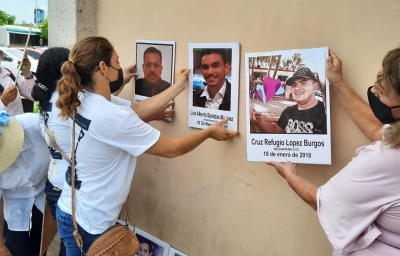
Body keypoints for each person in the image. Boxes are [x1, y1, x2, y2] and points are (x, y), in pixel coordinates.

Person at [53, 36, 239, 255]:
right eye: (117, 61)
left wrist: (179, 86)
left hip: (70, 209)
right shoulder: (111, 116)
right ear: (103, 68)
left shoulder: (85, 97)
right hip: (89, 225)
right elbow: (172, 149)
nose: (120, 67)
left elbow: (139, 110)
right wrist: (208, 132)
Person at [268, 49, 400, 255]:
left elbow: (322, 201)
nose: (374, 90)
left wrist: (288, 173)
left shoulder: (385, 159)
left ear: (314, 86)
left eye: (384, 85)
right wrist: (337, 81)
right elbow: (377, 130)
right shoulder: (288, 111)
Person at [0, 111, 50, 256]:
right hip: (15, 208)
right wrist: (0, 247)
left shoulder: (33, 124)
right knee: (16, 249)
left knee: (41, 247)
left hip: (45, 196)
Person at [252, 67, 327, 134]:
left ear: (315, 87)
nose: (297, 88)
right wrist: (260, 120)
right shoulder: (288, 112)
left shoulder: (325, 113)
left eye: (303, 83)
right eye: (294, 85)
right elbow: (276, 130)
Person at [0, 49, 35, 115]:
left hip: (18, 124)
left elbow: (34, 95)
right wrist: (3, 102)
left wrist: (27, 73)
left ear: (1, 54)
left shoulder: (11, 74)